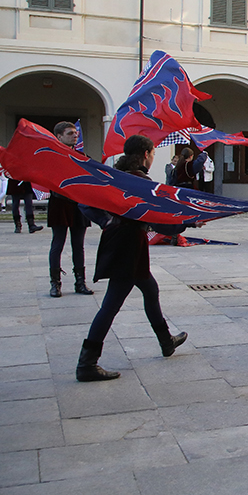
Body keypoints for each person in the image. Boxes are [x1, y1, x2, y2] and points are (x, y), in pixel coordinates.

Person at [74, 134, 190, 382]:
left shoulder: (116, 176)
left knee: (150, 288)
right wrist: (184, 223)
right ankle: (87, 362)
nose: (152, 158)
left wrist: (107, 221)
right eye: (153, 154)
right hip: (127, 245)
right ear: (146, 154)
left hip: (126, 242)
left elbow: (87, 200)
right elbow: (154, 217)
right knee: (111, 304)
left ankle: (165, 340)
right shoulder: (137, 181)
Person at [47, 121, 94, 297]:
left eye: (76, 133)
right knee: (57, 244)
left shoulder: (81, 155)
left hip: (78, 204)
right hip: (59, 203)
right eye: (70, 133)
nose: (75, 135)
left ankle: (80, 282)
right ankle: (55, 283)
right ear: (59, 136)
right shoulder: (51, 156)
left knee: (78, 245)